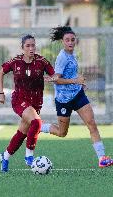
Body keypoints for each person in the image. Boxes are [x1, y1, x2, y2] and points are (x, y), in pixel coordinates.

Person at [41, 26, 113, 168]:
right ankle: (40, 126)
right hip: (63, 100)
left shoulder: (73, 55)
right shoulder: (62, 57)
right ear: (62, 41)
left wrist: (80, 84)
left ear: (75, 41)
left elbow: (72, 74)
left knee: (91, 123)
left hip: (78, 95)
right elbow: (57, 79)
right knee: (62, 133)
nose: (70, 42)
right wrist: (75, 81)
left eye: (72, 40)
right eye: (67, 40)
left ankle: (102, 158)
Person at [0, 34, 55, 172]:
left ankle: (5, 156)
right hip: (19, 100)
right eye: (28, 45)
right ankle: (29, 155)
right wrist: (1, 93)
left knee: (22, 133)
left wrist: (53, 78)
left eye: (33, 45)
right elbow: (0, 73)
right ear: (22, 47)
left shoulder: (42, 61)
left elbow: (55, 75)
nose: (31, 48)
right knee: (36, 122)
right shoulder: (15, 61)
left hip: (36, 102)